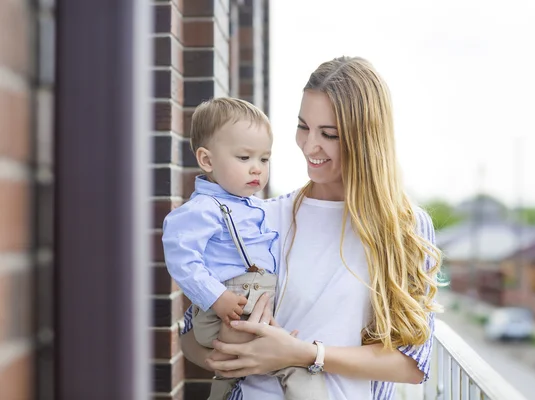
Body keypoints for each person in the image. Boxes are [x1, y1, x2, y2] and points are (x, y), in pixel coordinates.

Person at [179, 56, 443, 400]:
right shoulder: (259, 218)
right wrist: (232, 357)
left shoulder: (404, 228)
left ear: (365, 140)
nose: (309, 145)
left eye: (329, 134)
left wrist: (304, 354)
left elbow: (412, 364)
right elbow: (189, 333)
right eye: (303, 127)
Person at [162, 98, 329, 400]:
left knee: (278, 366)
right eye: (244, 157)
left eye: (264, 160)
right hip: (225, 311)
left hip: (252, 305)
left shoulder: (254, 207)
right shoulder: (203, 208)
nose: (257, 169)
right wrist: (217, 297)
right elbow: (182, 258)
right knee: (288, 366)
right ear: (207, 160)